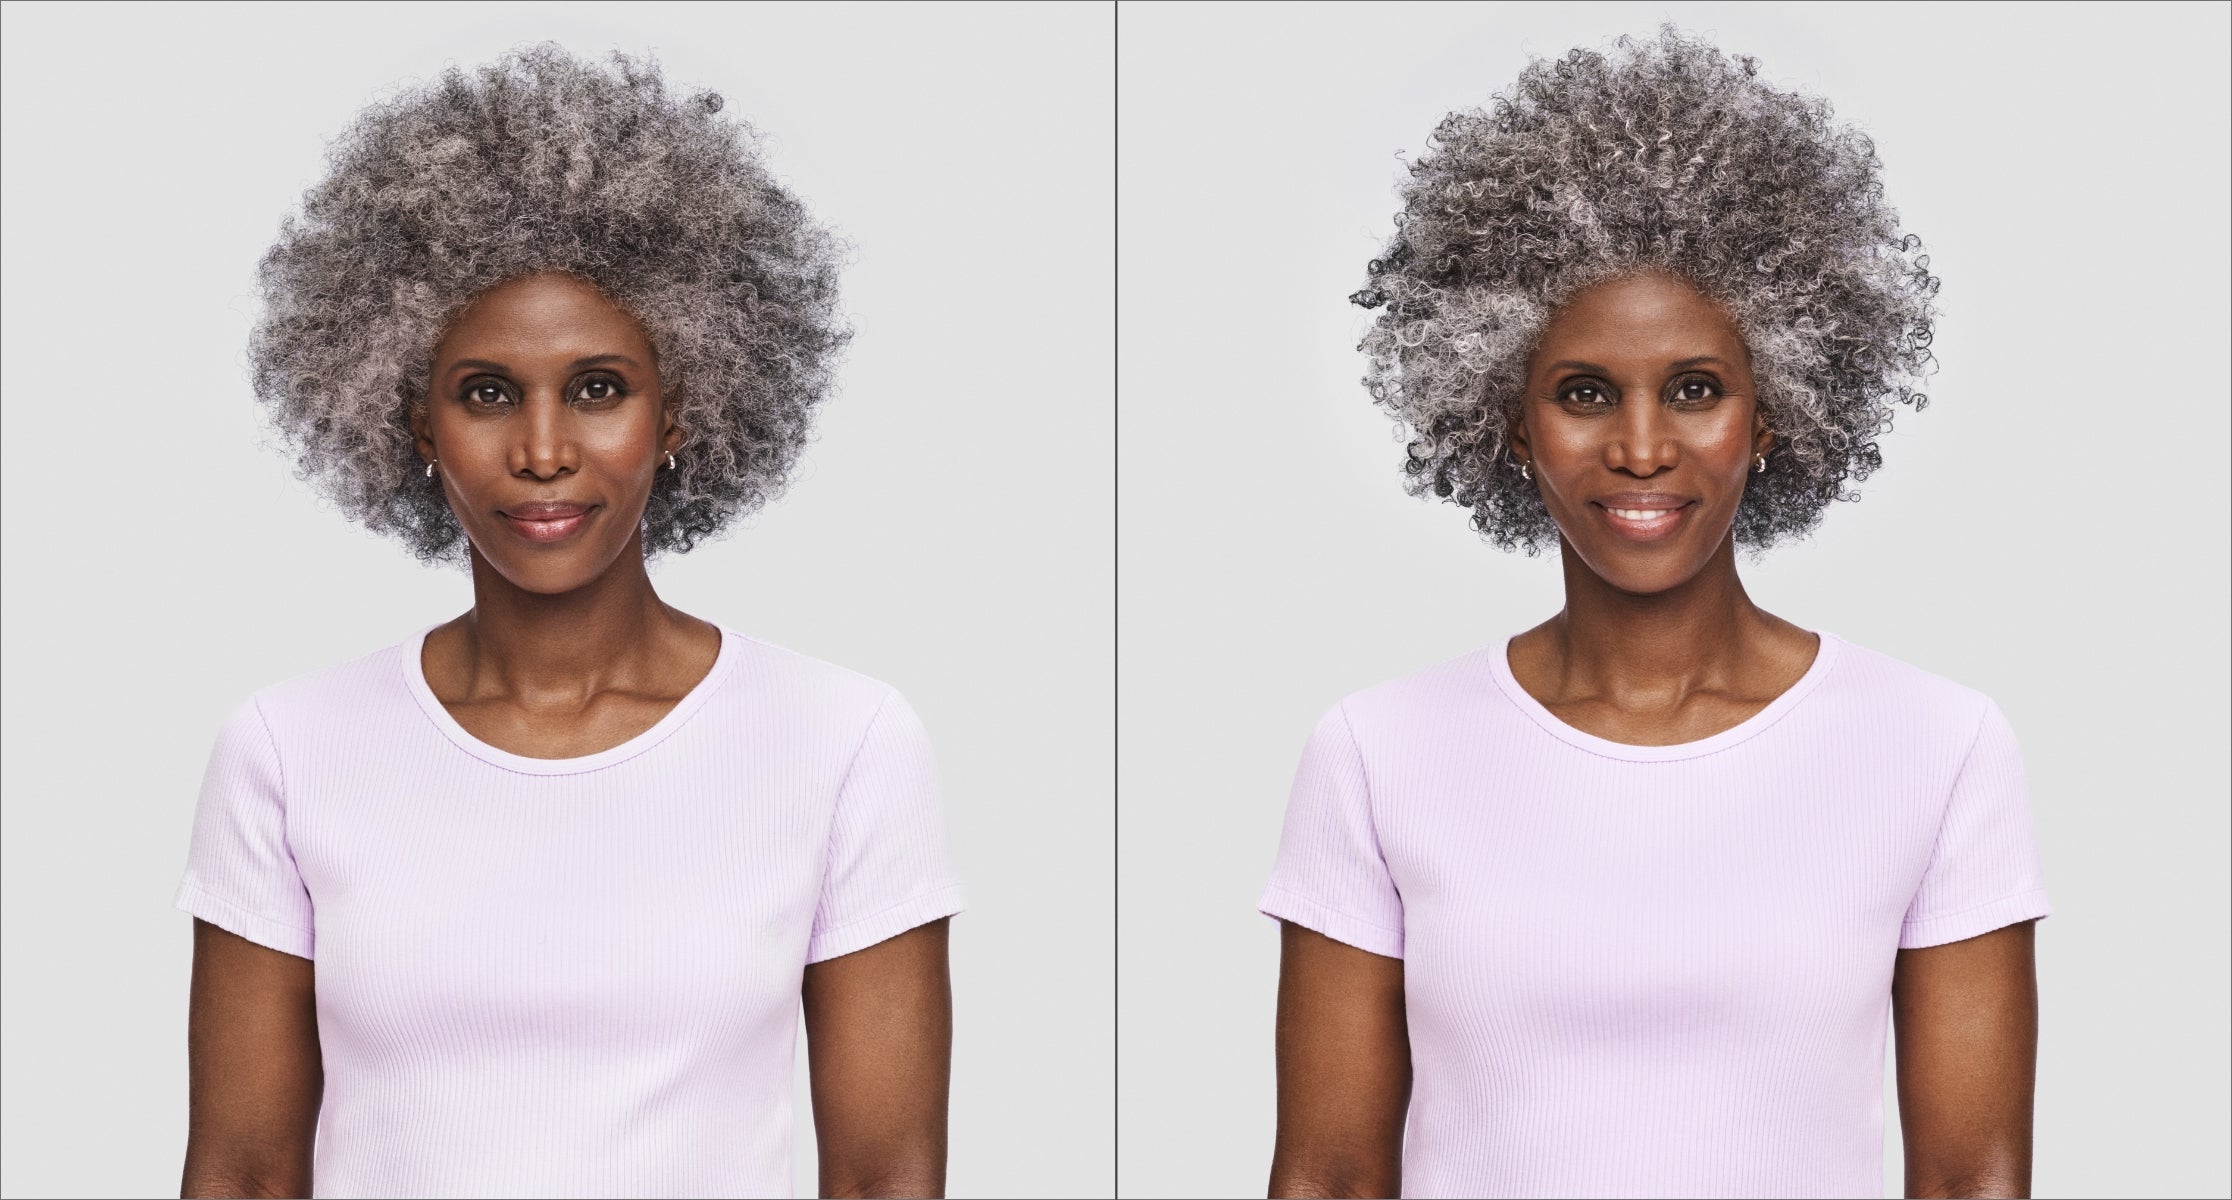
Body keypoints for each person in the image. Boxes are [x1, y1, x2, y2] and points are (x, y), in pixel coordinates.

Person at [1262, 28, 2048, 1200]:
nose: (1641, 448)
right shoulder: (1377, 753)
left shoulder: (1936, 746)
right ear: (1508, 420)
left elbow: (1974, 1178)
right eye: (1584, 394)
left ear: (1773, 408)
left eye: (1696, 389)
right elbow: (1326, 1175)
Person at [175, 45, 963, 1200]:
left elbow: (889, 1175)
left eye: (599, 387)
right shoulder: (288, 750)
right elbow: (242, 1172)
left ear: (683, 409)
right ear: (416, 422)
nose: (544, 451)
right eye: (487, 393)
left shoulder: (842, 742)